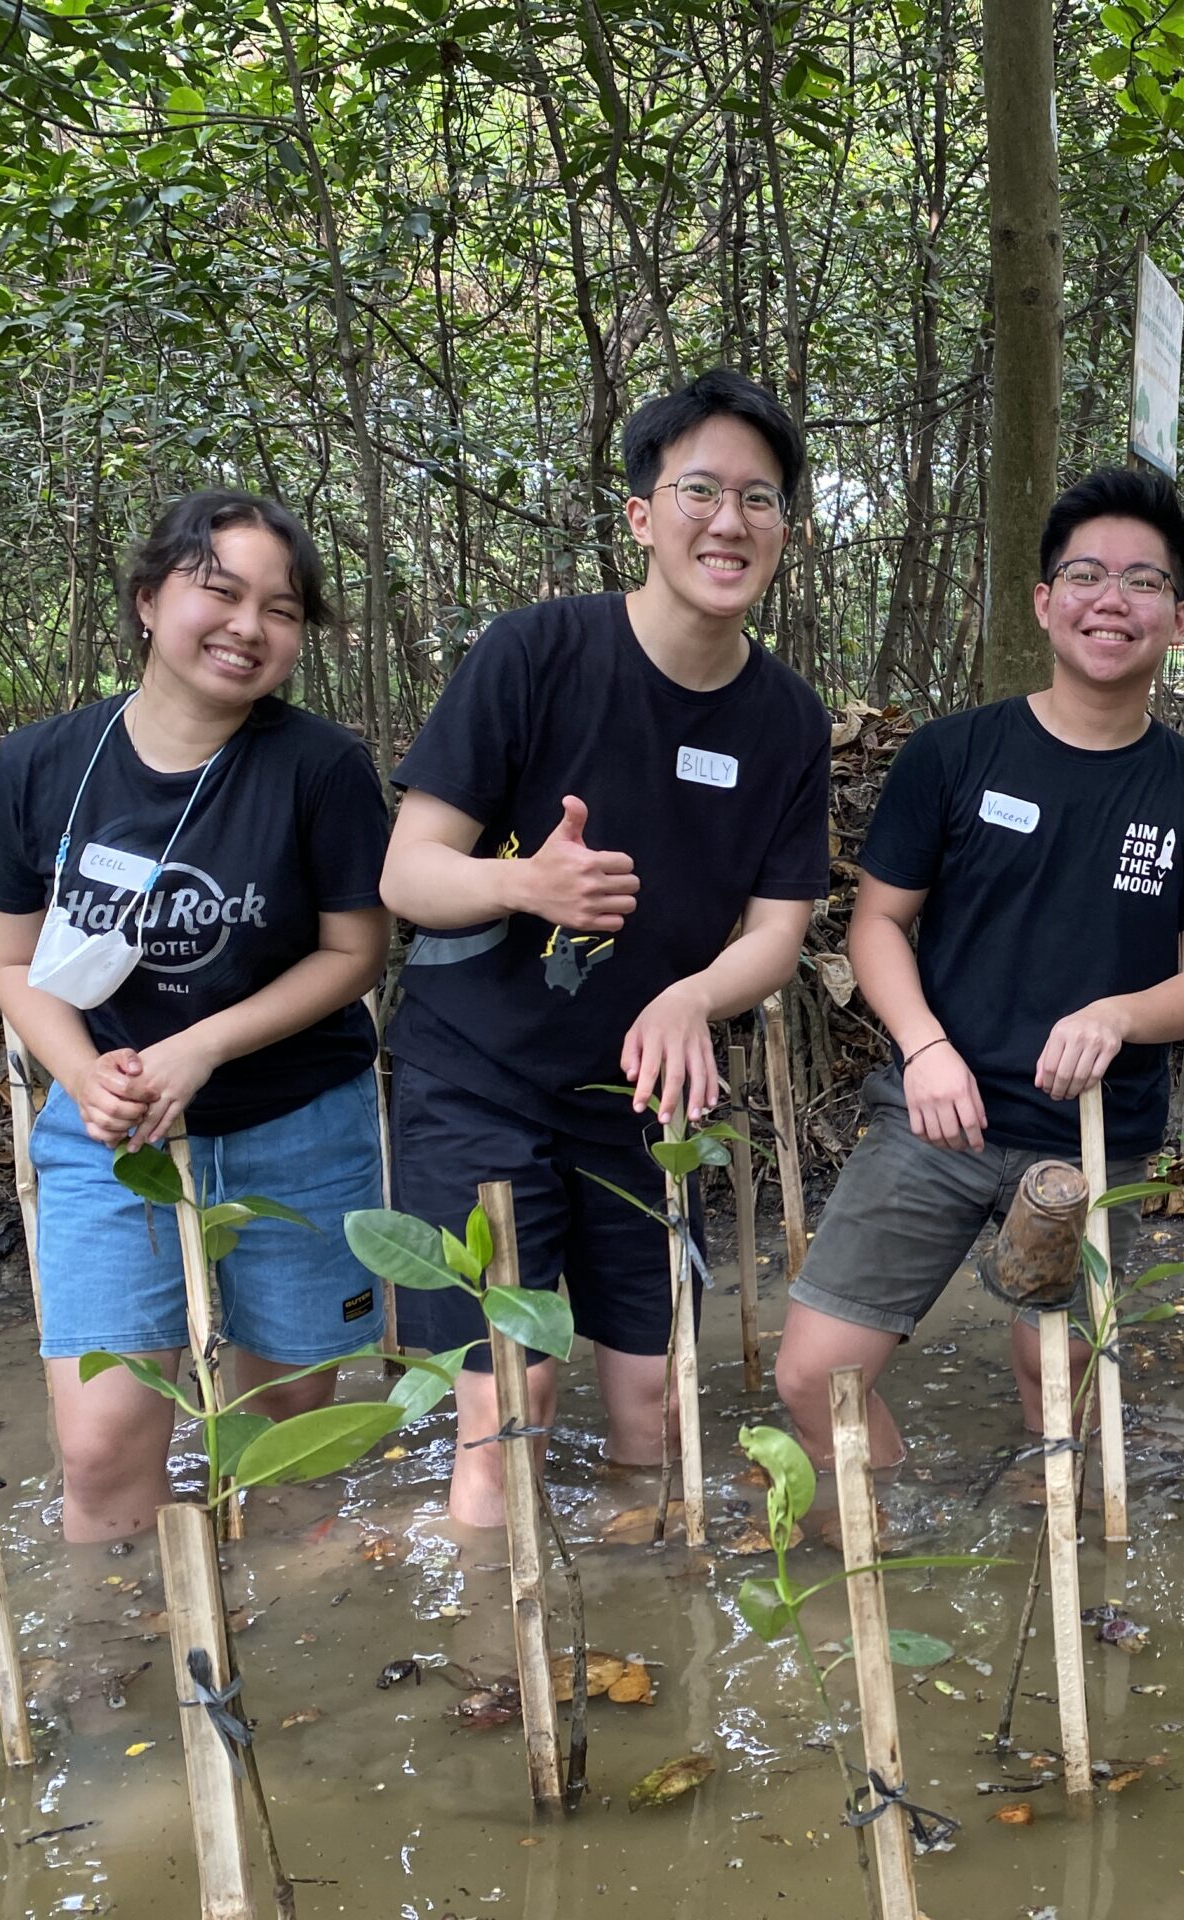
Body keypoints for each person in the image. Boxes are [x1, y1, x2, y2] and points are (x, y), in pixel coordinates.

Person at [380, 369, 831, 1529]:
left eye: (759, 499)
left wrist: (691, 996)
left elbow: (778, 932)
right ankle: (498, 1664)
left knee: (655, 1412)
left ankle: (649, 1660)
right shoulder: (536, 652)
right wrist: (523, 882)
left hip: (636, 1097)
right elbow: (409, 873)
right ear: (641, 515)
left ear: (785, 528)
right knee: (510, 1403)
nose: (727, 521)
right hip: (478, 1072)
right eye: (698, 491)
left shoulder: (785, 719)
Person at [773, 469, 1184, 1467]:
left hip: (1091, 1136)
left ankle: (1049, 1578)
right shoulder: (955, 755)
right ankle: (895, 1547)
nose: (1110, 600)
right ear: (1044, 602)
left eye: (1142, 581)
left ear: (1178, 616)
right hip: (937, 1112)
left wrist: (1120, 1015)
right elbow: (875, 923)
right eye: (1085, 575)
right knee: (814, 1378)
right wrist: (925, 1051)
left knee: (1064, 1393)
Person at [0, 491, 392, 1543]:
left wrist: (200, 1045)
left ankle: (294, 1675)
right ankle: (109, 1680)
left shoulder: (321, 769)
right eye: (220, 591)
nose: (249, 626)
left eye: (280, 609)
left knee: (292, 1441)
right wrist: (82, 1075)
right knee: (103, 1451)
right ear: (149, 600)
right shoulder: (40, 765)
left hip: (299, 1126)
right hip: (110, 1135)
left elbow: (356, 953)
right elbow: (12, 958)